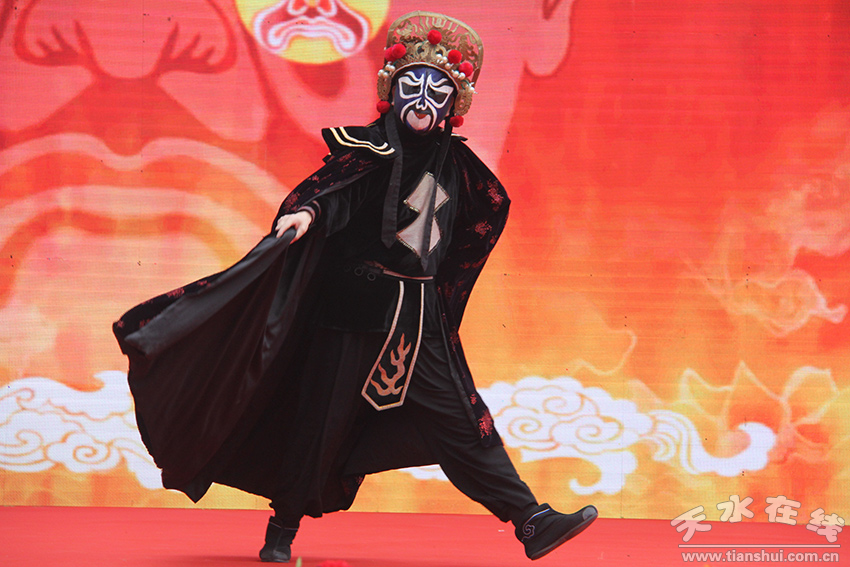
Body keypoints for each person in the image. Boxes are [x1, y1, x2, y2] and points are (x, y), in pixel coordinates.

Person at [114, 11, 597, 563]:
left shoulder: (461, 168)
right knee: (320, 422)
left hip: (420, 316)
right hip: (355, 309)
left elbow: (474, 225)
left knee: (461, 417)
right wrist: (308, 214)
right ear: (391, 91)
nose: (422, 98)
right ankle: (282, 529)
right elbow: (337, 193)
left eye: (437, 88)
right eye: (412, 84)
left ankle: (530, 520)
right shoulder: (369, 151)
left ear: (455, 103)